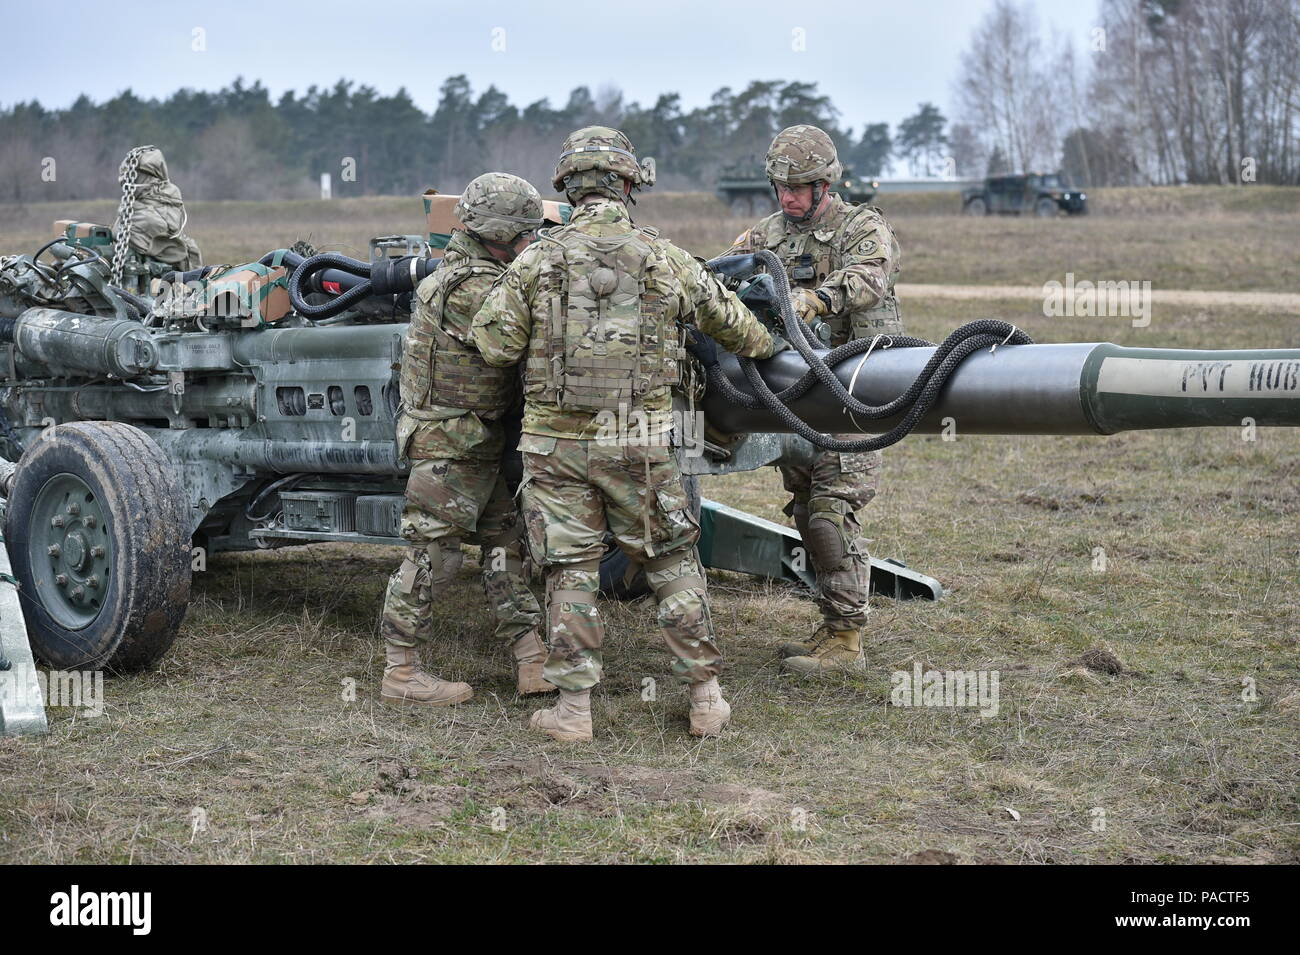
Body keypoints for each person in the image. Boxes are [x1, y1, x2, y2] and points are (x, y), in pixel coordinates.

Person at [472, 127, 778, 741]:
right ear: (629, 183)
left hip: (556, 445)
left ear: (567, 187)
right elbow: (746, 333)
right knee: (669, 560)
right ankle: (706, 698)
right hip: (639, 440)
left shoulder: (538, 258)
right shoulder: (663, 256)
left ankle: (573, 711)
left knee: (570, 570)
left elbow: (492, 343)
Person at [725, 124, 904, 675]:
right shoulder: (767, 234)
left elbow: (869, 277)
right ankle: (832, 626)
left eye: (800, 187)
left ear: (827, 183)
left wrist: (814, 299)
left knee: (830, 510)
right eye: (780, 186)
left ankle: (847, 642)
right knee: (806, 509)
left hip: (858, 393)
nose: (788, 197)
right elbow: (722, 274)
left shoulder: (861, 227)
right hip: (799, 396)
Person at [379, 173, 550, 705]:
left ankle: (531, 659)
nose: (530, 241)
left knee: (505, 547)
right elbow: (521, 339)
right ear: (498, 233)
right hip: (448, 444)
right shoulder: (467, 286)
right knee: (433, 555)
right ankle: (401, 673)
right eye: (524, 233)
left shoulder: (483, 273)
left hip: (478, 441)